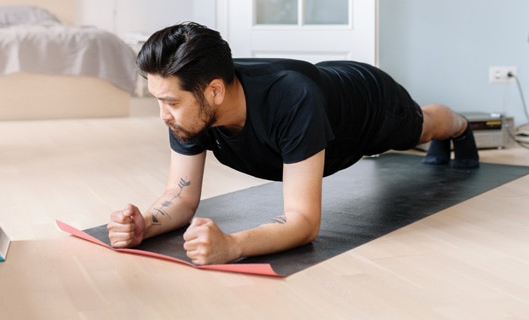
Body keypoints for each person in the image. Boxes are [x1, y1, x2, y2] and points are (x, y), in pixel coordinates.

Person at [107, 22, 479, 265]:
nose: (163, 115)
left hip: (371, 103)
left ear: (215, 91)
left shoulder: (291, 99)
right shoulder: (193, 106)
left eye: (170, 102)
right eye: (158, 100)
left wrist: (232, 245)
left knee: (423, 128)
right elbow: (181, 195)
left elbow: (304, 222)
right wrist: (147, 223)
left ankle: (461, 126)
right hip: (324, 87)